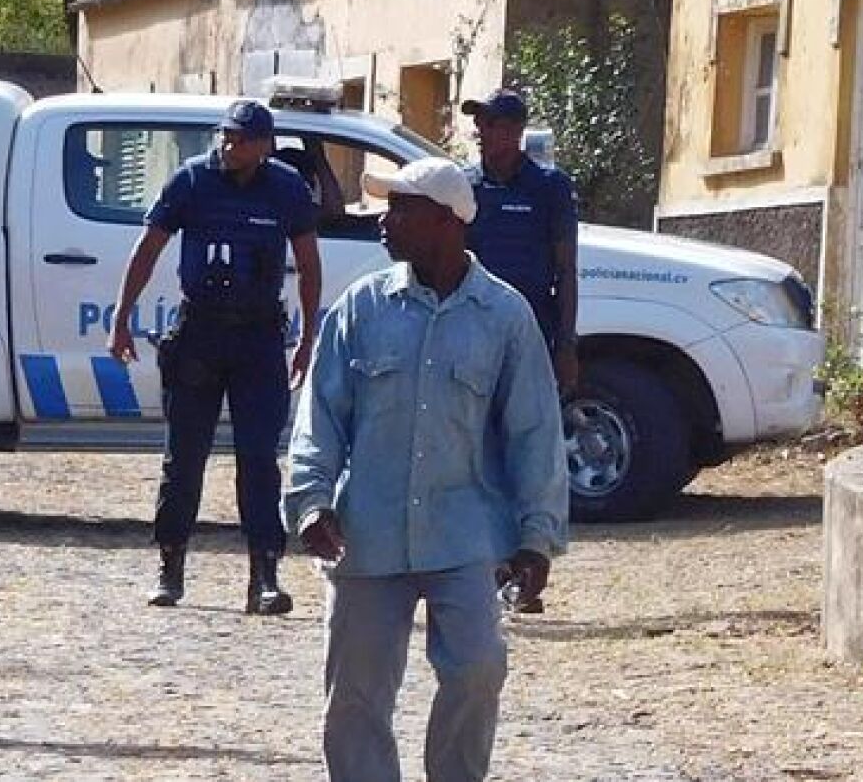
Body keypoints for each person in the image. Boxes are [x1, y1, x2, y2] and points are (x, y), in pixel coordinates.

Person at [283, 156, 567, 782]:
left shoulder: (504, 316)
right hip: (366, 535)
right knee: (356, 695)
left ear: (445, 220)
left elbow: (534, 432)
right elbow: (321, 415)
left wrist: (536, 537)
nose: (385, 222)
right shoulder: (362, 309)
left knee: (477, 668)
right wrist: (310, 501)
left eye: (400, 209)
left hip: (465, 533)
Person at [108, 98, 321, 614]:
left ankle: (264, 576)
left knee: (258, 459)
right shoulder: (191, 181)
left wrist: (308, 339)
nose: (230, 146)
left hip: (258, 337)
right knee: (184, 457)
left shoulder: (286, 188)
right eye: (226, 135)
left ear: (266, 145)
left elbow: (309, 264)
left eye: (243, 138)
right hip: (199, 331)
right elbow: (148, 246)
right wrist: (121, 317)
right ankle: (171, 564)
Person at [459, 89, 582, 395]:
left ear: (515, 130)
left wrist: (566, 346)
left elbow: (566, 270)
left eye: (489, 123)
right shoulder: (465, 184)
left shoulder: (549, 186)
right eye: (478, 123)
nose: (479, 132)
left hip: (531, 329)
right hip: (473, 330)